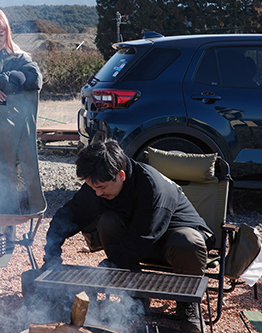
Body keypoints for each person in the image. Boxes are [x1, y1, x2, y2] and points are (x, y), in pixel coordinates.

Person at [42, 140, 213, 333]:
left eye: (101, 187)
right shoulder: (100, 183)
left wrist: (106, 269)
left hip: (173, 240)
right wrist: (52, 253)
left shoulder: (151, 186)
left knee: (186, 240)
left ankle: (187, 305)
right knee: (108, 220)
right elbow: (70, 214)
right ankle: (135, 296)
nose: (97, 193)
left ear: (120, 175)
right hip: (139, 240)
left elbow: (143, 237)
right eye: (93, 187)